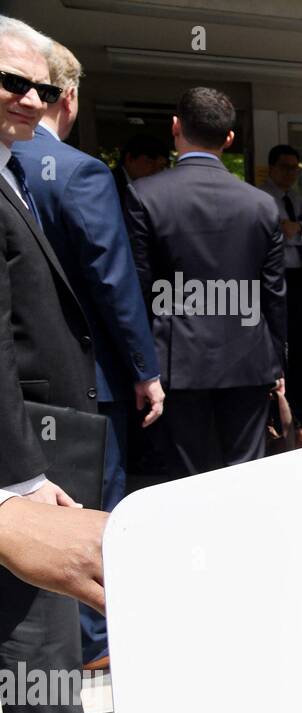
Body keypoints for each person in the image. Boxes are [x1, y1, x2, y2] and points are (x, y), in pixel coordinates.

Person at [0, 14, 122, 713]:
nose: (34, 101)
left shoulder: (14, 169)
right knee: (37, 620)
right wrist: (17, 477)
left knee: (27, 617)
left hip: (33, 429)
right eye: (13, 82)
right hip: (25, 443)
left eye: (45, 88)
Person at [12, 38, 163, 669]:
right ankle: (95, 647)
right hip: (89, 378)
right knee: (93, 506)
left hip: (19, 380)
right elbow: (112, 282)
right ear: (68, 97)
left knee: (31, 510)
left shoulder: (12, 166)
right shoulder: (79, 171)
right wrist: (145, 369)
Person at [125, 87, 287, 477]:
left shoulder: (144, 194)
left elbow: (138, 289)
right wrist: (277, 361)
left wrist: (140, 367)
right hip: (249, 359)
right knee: (246, 473)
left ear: (176, 127)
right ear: (228, 138)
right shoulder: (261, 204)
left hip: (178, 361)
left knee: (187, 478)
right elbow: (274, 292)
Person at [260, 144, 302, 422]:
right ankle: (276, 409)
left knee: (300, 342)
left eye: (295, 169)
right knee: (277, 340)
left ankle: (298, 405)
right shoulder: (261, 198)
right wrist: (290, 232)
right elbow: (272, 233)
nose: (291, 174)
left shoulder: (296, 199)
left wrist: (297, 229)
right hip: (273, 278)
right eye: (285, 167)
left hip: (299, 280)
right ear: (272, 167)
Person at [111, 134, 168, 213]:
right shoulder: (111, 183)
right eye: (149, 163)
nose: (156, 171)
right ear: (130, 158)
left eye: (161, 167)